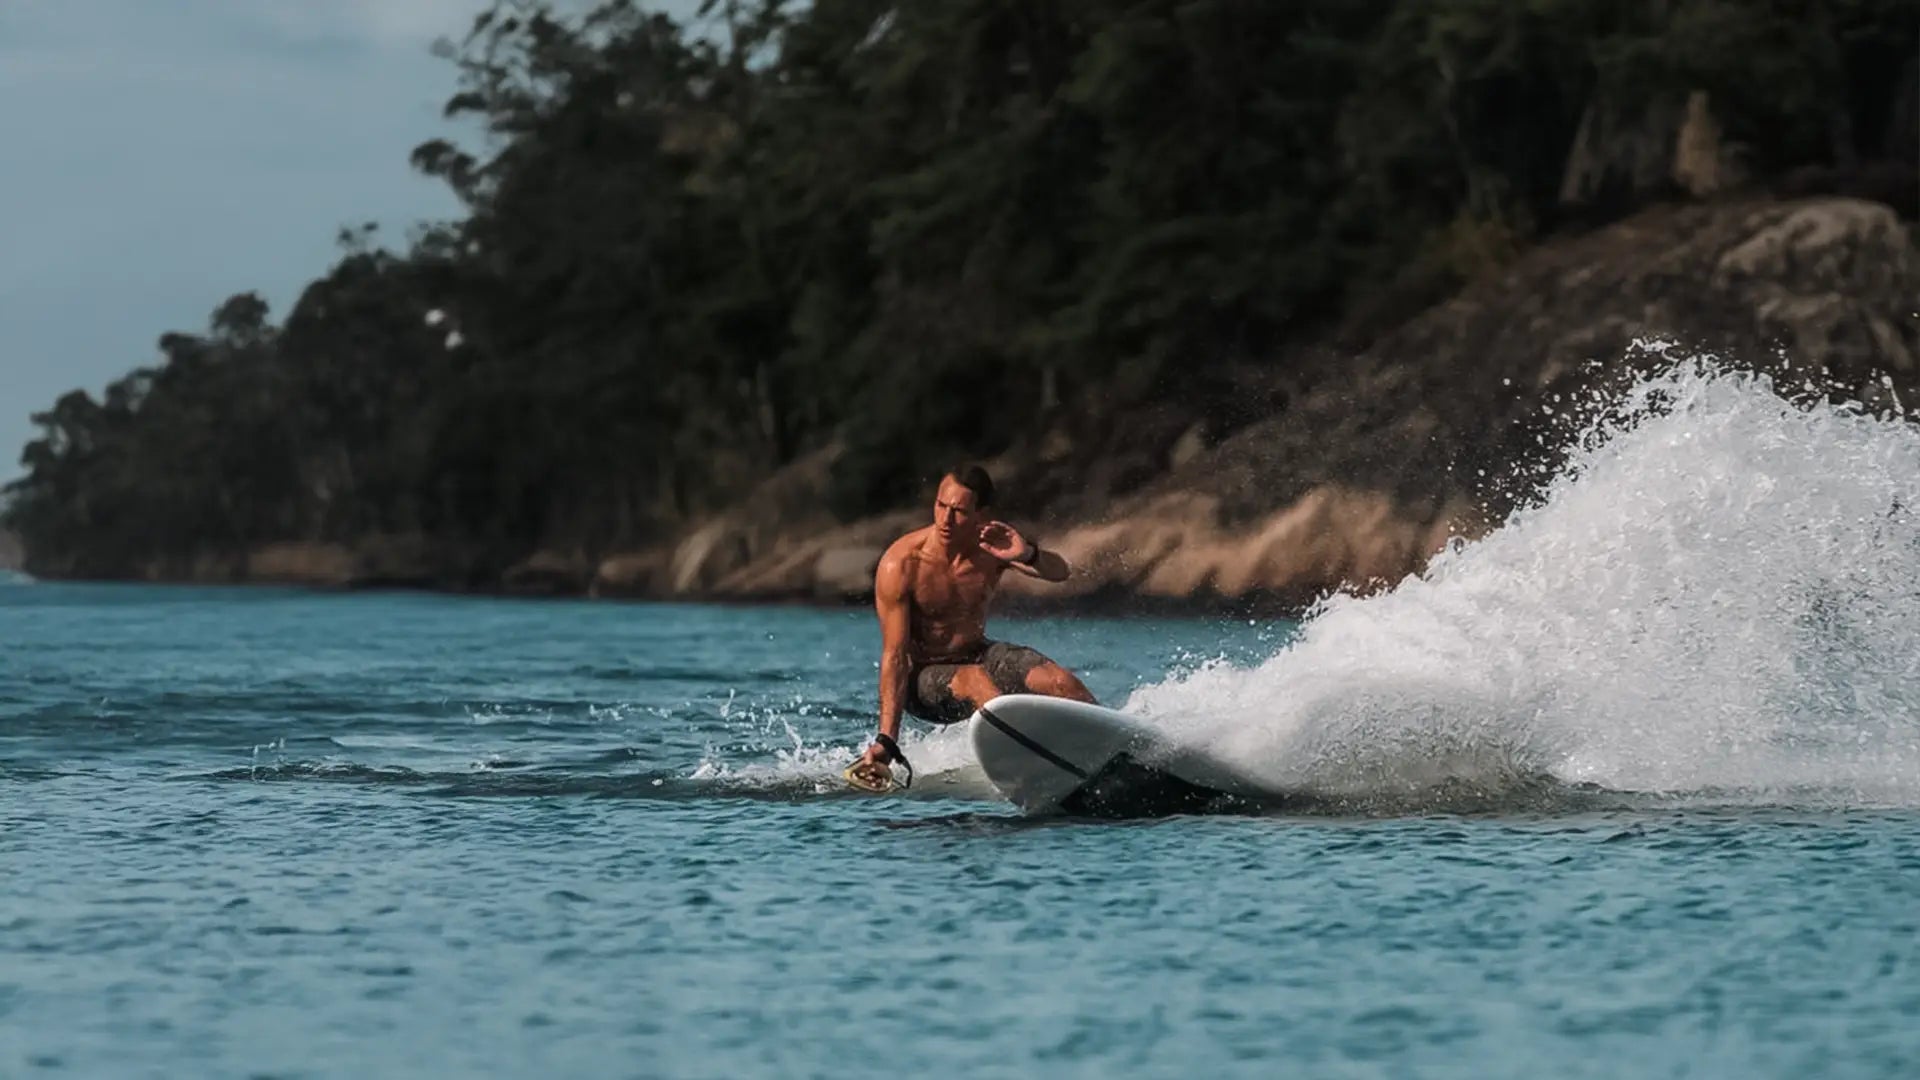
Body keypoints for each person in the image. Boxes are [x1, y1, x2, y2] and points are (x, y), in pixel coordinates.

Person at [847, 464, 1096, 789]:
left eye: (960, 511)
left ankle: (1117, 751)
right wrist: (887, 740)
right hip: (921, 679)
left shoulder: (991, 548)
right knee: (974, 680)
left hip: (978, 652)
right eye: (941, 506)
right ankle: (1033, 765)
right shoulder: (902, 563)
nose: (946, 520)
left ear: (981, 513)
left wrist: (1029, 554)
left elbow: (1060, 572)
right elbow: (894, 656)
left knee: (1060, 681)